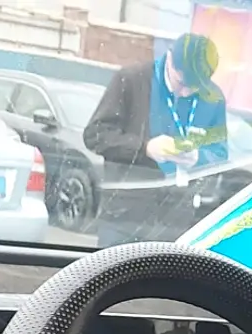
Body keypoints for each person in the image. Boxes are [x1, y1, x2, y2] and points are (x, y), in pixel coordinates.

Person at [83, 33, 230, 246]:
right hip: (124, 217)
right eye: (181, 82)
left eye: (194, 87)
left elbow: (220, 154)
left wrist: (198, 157)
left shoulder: (213, 98)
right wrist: (145, 148)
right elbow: (95, 135)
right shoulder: (131, 80)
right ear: (168, 58)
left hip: (176, 221)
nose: (185, 92)